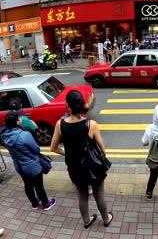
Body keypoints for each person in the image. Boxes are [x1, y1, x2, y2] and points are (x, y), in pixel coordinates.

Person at [50, 90, 113, 229]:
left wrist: (67, 153)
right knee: (99, 194)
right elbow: (103, 148)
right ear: (81, 104)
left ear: (68, 105)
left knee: (82, 196)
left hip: (74, 167)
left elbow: (53, 148)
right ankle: (106, 218)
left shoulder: (60, 125)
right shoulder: (91, 125)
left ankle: (86, 221)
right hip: (93, 167)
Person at [0, 111, 56, 211]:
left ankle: (34, 204)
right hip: (32, 166)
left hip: (18, 166)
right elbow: (36, 149)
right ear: (17, 122)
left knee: (27, 185)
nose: (21, 119)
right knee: (39, 186)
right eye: (19, 118)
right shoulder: (24, 135)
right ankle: (46, 204)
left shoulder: (4, 135)